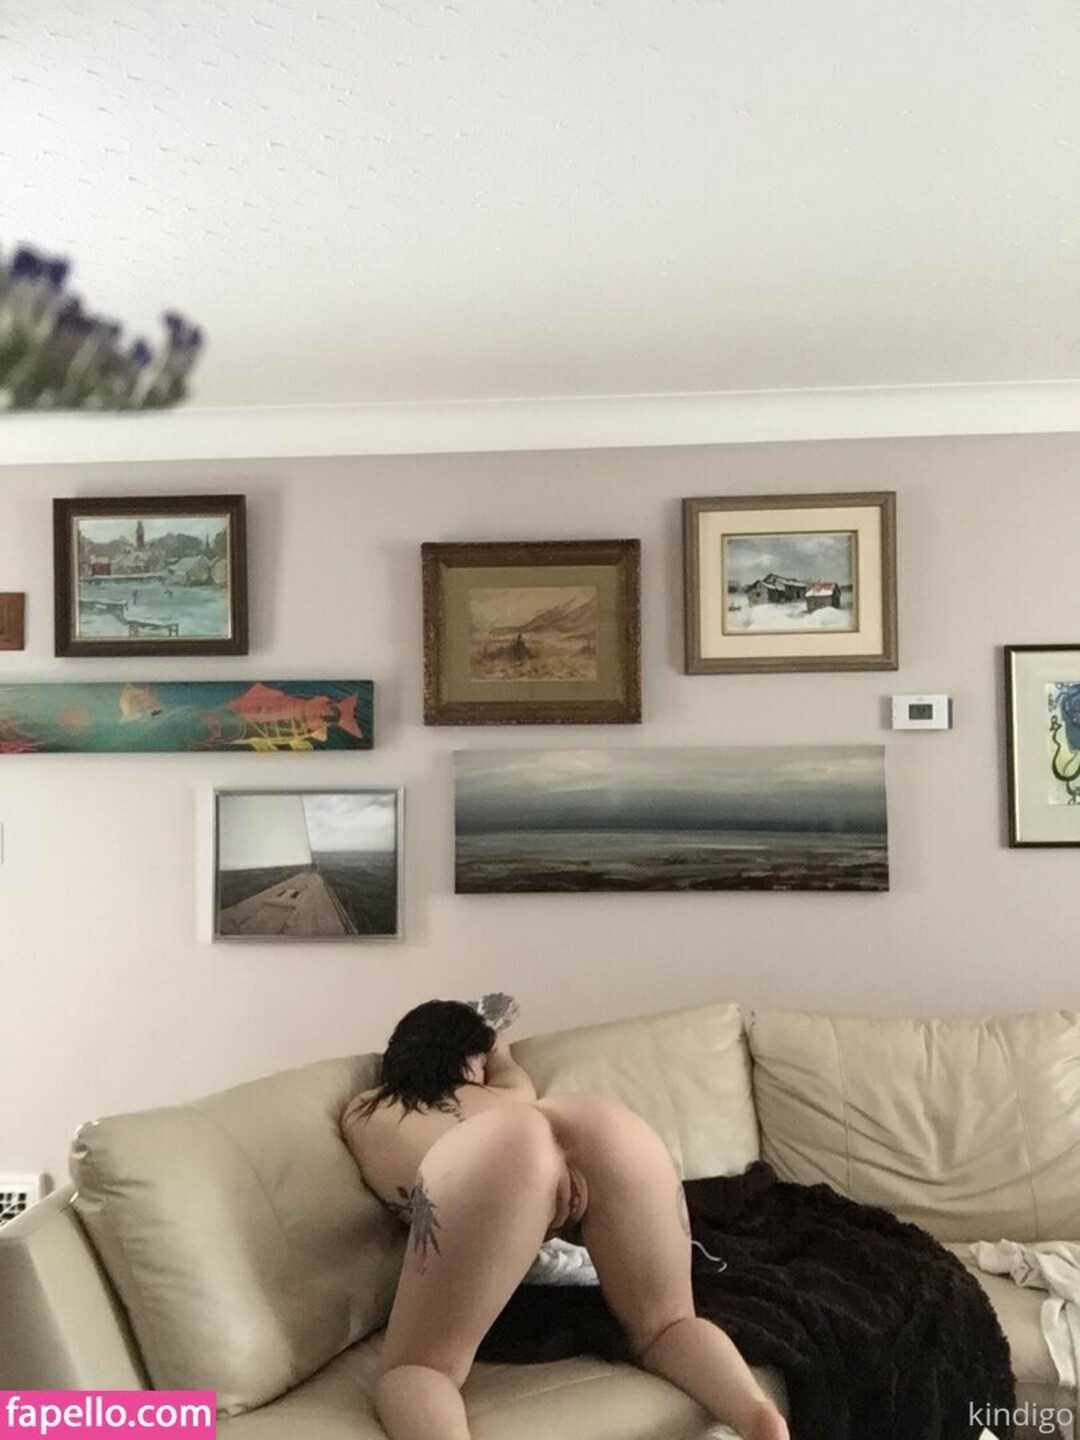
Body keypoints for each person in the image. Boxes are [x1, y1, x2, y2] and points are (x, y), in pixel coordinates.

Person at [341, 997, 788, 1440]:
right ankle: (757, 1416)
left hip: (496, 1154)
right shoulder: (508, 1093)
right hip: (598, 1124)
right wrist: (490, 1042)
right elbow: (507, 1065)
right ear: (475, 1060)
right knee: (668, 1325)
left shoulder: (367, 1110)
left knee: (419, 1368)